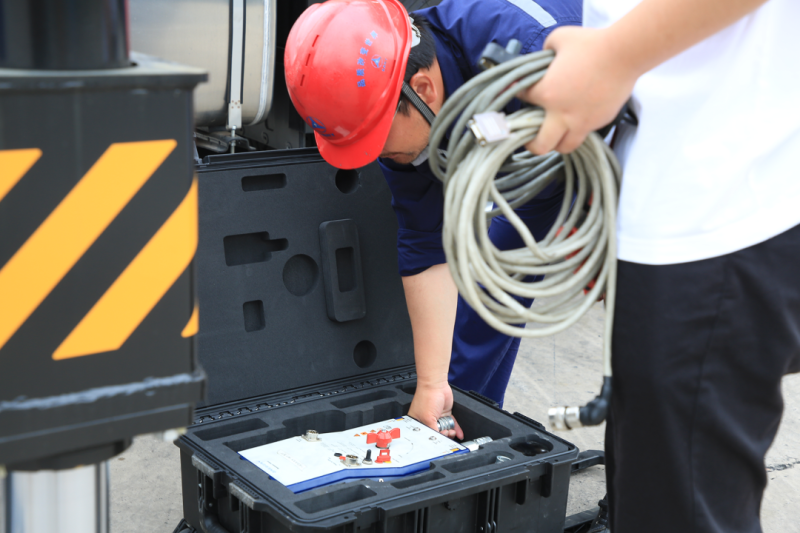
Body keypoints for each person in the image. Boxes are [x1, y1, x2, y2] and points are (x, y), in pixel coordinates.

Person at [519, 0, 800, 531]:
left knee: (679, 507)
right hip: (677, 209)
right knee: (651, 493)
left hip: (714, 210)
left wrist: (613, 57)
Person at [284, 0, 582, 440]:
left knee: (645, 313)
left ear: (422, 90)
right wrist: (431, 385)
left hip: (614, 138)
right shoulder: (403, 114)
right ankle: (470, 434)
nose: (377, 157)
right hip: (535, 164)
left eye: (377, 140)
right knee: (485, 295)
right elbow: (426, 243)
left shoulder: (532, 53)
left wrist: (600, 233)